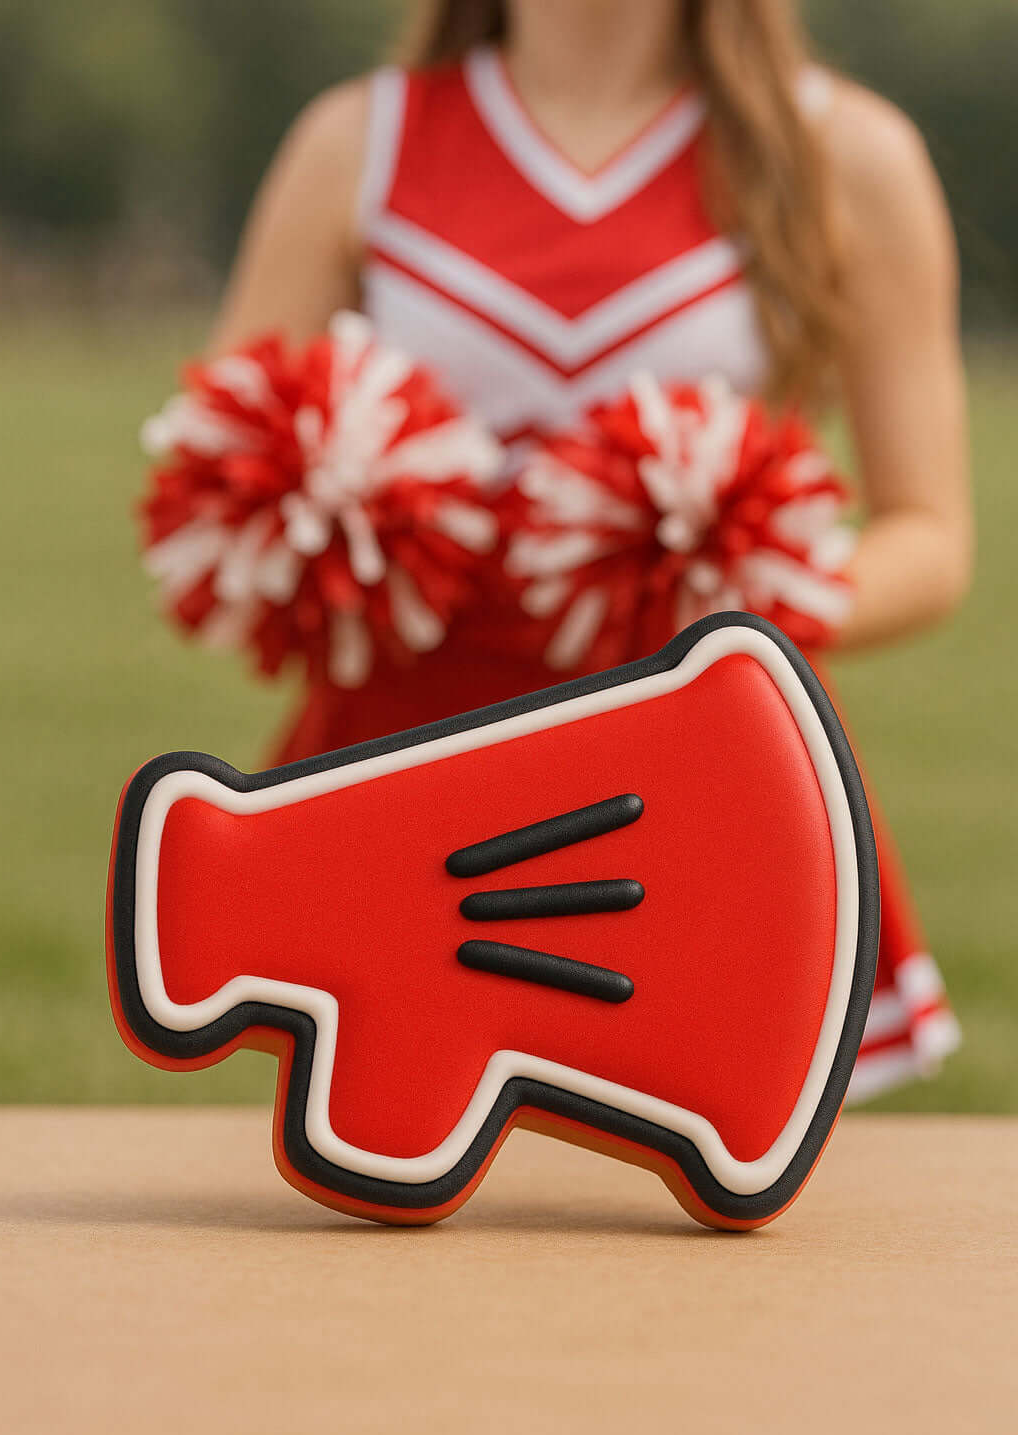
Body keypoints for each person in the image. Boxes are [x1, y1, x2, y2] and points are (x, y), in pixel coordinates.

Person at [206, 0, 972, 1100]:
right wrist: (324, 530)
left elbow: (931, 538)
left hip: (691, 779)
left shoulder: (844, 153)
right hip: (409, 771)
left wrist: (740, 594)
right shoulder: (358, 142)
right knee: (394, 1189)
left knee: (706, 1225)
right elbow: (225, 470)